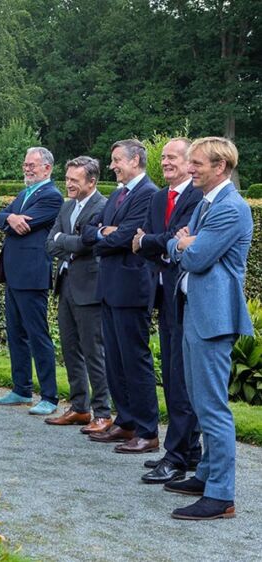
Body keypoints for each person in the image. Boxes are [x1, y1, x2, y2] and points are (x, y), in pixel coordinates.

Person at [165, 137, 251, 520]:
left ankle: (221, 496)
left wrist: (184, 244)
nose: (190, 168)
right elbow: (177, 245)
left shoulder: (230, 208)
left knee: (213, 408)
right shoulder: (207, 203)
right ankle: (205, 475)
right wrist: (183, 242)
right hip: (197, 313)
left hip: (213, 319)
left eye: (197, 163)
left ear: (220, 167)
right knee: (200, 402)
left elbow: (196, 258)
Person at [81, 139, 159, 454]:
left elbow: (129, 236)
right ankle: (125, 422)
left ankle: (147, 430)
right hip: (110, 287)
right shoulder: (116, 194)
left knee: (134, 361)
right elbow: (89, 232)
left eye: (117, 160)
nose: (112, 166)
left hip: (131, 289)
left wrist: (110, 234)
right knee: (114, 360)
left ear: (136, 160)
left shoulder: (149, 194)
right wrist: (105, 233)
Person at [133, 138, 203, 484]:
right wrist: (159, 242)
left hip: (186, 295)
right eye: (162, 157)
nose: (165, 162)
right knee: (174, 374)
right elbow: (146, 242)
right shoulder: (160, 197)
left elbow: (168, 240)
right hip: (163, 294)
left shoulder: (198, 197)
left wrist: (156, 241)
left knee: (180, 379)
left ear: (191, 161)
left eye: (172, 156)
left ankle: (177, 456)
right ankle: (187, 450)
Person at [0, 147, 62, 413]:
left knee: (37, 335)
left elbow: (26, 226)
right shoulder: (24, 194)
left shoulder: (53, 196)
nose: (27, 168)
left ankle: (49, 396)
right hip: (13, 274)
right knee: (15, 334)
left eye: (32, 165)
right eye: (25, 164)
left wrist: (9, 220)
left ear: (47, 168)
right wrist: (9, 216)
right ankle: (21, 389)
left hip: (32, 276)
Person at [44, 156, 111, 430]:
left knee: (94, 351)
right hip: (66, 284)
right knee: (70, 349)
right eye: (67, 178)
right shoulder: (66, 205)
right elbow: (50, 243)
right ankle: (79, 407)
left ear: (91, 181)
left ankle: (103, 413)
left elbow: (88, 244)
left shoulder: (102, 206)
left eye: (75, 180)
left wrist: (65, 241)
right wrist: (69, 242)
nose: (68, 184)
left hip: (90, 288)